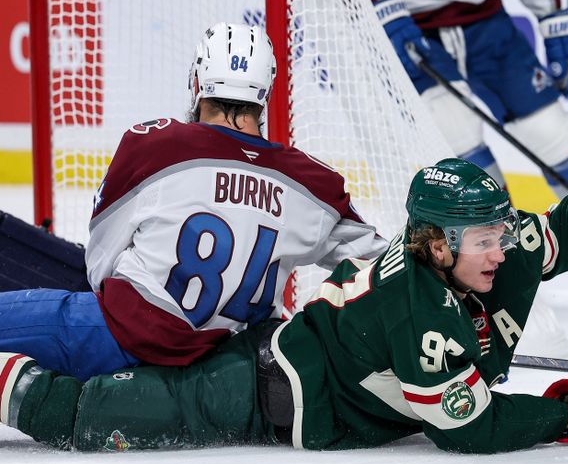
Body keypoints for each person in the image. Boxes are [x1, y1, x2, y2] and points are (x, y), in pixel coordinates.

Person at [1, 128, 568, 453]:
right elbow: (470, 427)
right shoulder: (420, 311)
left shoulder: (490, 251)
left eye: (500, 232)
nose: (501, 248)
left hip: (269, 351)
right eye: (483, 238)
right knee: (89, 420)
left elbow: (558, 234)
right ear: (439, 245)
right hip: (246, 394)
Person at [0, 23, 387, 382]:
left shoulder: (155, 145)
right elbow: (383, 266)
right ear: (266, 92)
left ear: (198, 81)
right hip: (228, 366)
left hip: (116, 338)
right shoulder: (313, 184)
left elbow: (100, 261)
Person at [368, 0, 568, 198]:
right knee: (453, 131)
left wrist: (552, 14)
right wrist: (371, 5)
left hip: (489, 24)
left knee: (549, 130)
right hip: (406, 25)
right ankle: (496, 229)